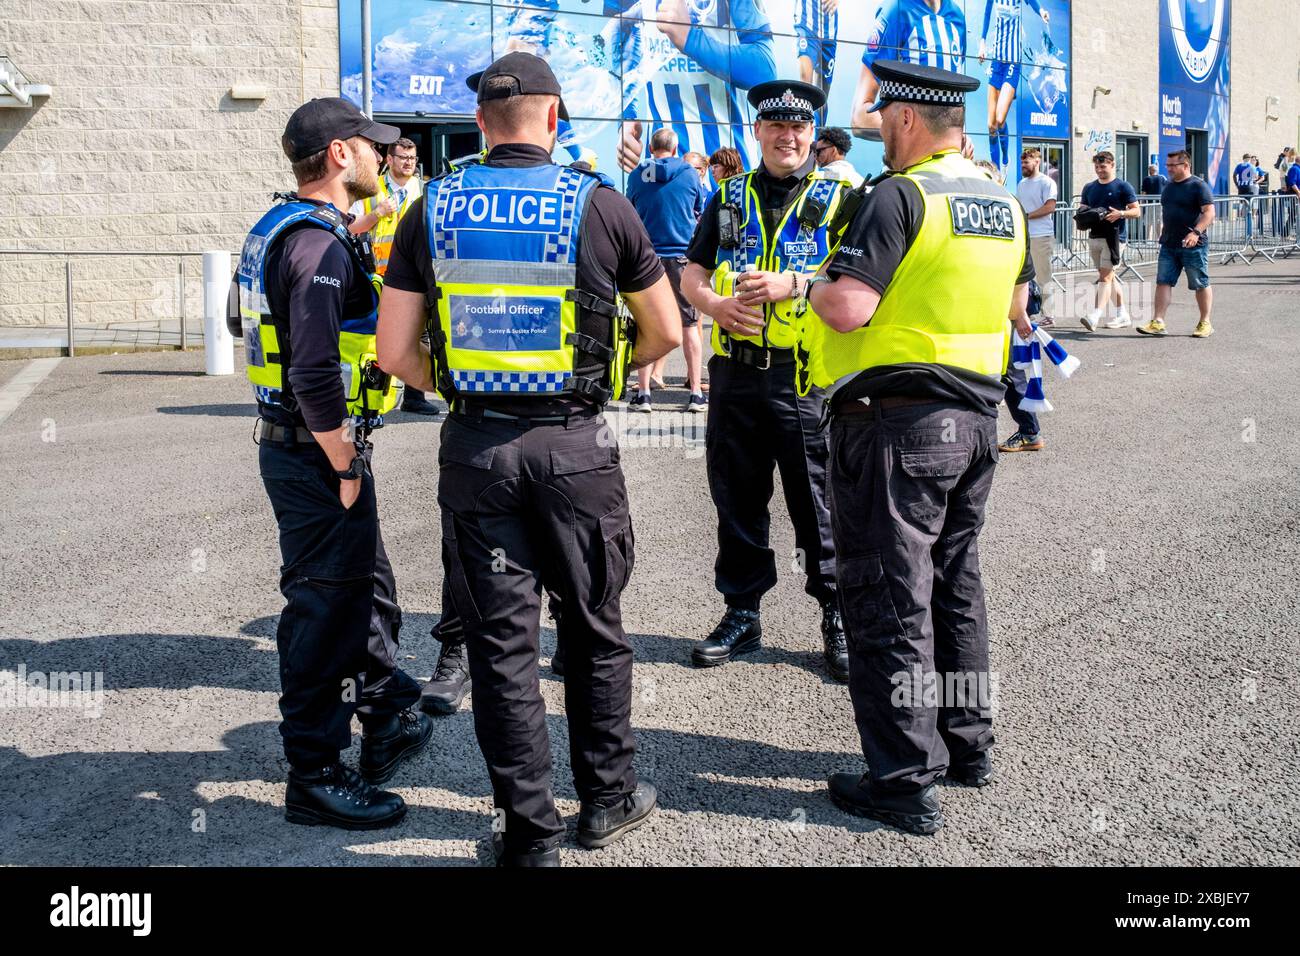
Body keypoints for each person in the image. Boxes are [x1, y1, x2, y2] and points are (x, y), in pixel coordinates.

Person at [375, 52, 681, 867]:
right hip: (576, 448)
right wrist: (605, 376)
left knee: (502, 649)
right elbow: (667, 332)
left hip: (478, 448)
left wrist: (459, 384)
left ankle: (529, 833)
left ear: (479, 123)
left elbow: (393, 351)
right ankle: (607, 800)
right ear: (554, 119)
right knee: (593, 629)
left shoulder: (429, 208)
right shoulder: (602, 205)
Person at [800, 60, 1034, 835]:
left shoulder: (899, 195)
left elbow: (846, 307)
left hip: (898, 426)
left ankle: (902, 779)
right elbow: (1016, 306)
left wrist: (803, 286)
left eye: (879, 116)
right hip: (975, 421)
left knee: (888, 596)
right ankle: (969, 748)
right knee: (955, 586)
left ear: (904, 120)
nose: (875, 129)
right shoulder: (1001, 201)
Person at [234, 97, 432, 830]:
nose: (385, 157)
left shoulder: (287, 228)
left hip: (297, 446)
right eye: (374, 146)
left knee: (365, 589)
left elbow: (253, 320)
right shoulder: (314, 247)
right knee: (322, 609)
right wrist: (344, 461)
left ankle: (385, 713)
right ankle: (314, 773)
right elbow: (313, 369)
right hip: (317, 453)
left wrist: (359, 230)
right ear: (342, 155)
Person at [680, 79, 852, 683]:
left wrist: (796, 286)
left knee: (817, 501)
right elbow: (691, 273)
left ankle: (837, 614)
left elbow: (862, 286)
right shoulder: (726, 196)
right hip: (734, 376)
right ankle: (742, 611)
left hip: (804, 379)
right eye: (776, 126)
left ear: (813, 134)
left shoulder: (842, 199)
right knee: (736, 496)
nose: (788, 136)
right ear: (757, 132)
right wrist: (714, 306)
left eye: (799, 127)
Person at [608, 0, 776, 173]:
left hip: (729, 173)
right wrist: (628, 116)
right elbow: (622, 36)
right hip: (662, 174)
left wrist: (689, 38)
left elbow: (764, 71)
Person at [349, 138, 441, 417]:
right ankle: (368, 393)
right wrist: (377, 213)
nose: (409, 163)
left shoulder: (424, 191)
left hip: (415, 277)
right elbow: (350, 228)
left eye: (412, 158)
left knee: (421, 334)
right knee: (374, 337)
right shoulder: (370, 190)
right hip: (377, 276)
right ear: (389, 160)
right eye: (403, 158)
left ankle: (414, 395)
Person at [626, 128, 710, 413]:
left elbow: (630, 210)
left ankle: (644, 393)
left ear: (651, 148)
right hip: (681, 256)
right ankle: (696, 393)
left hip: (647, 258)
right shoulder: (688, 173)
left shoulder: (637, 174)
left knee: (646, 325)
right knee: (690, 325)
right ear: (675, 149)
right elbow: (700, 208)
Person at [850, 0, 966, 138]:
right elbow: (859, 119)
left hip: (950, 154)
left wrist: (960, 137)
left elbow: (955, 102)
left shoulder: (957, 16)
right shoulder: (895, 10)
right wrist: (917, 133)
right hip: (911, 157)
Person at [1138, 149, 1215, 339]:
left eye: (1173, 165)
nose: (1169, 169)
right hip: (1169, 243)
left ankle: (1205, 322)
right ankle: (1158, 322)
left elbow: (1209, 213)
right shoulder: (1169, 186)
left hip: (1193, 244)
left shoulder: (1198, 186)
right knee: (1163, 282)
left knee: (1200, 283)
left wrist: (1196, 232)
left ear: (1186, 165)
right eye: (1168, 165)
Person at [978, 0, 1049, 178]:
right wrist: (982, 43)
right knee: (990, 126)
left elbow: (1032, 2)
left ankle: (1004, 159)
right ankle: (996, 171)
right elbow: (987, 14)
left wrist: (1041, 11)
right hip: (996, 61)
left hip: (1012, 62)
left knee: (1000, 119)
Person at [1079, 150, 1138, 332]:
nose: (1099, 170)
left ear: (1112, 165)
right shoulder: (1089, 187)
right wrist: (1083, 217)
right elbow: (1083, 209)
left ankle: (1095, 315)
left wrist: (1120, 213)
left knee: (1105, 277)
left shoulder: (1123, 186)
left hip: (1115, 238)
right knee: (1109, 278)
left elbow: (1136, 211)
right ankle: (1123, 315)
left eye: (1103, 166)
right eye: (1097, 167)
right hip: (1094, 236)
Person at [1016, 146, 1057, 326]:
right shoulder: (1021, 184)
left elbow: (1050, 207)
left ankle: (1049, 314)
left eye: (1026, 162)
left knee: (1043, 276)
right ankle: (1029, 311)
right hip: (1025, 235)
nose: (1023, 165)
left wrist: (1027, 216)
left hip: (1042, 235)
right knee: (1025, 277)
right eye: (1022, 162)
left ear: (1037, 162)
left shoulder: (1047, 182)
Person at [795, 0, 839, 124]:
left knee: (822, 95)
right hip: (806, 22)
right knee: (805, 79)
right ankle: (803, 128)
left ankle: (817, 137)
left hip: (829, 29)